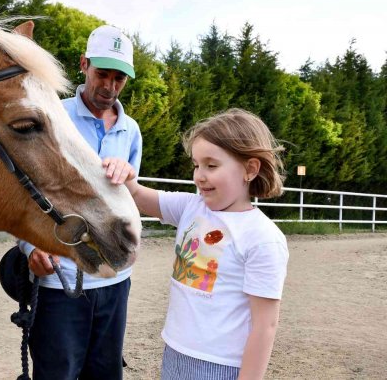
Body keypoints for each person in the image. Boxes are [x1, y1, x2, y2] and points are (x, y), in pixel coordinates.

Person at [103, 108, 288, 380]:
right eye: (196, 164)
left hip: (219, 366)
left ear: (250, 169)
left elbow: (265, 325)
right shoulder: (192, 207)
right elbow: (139, 195)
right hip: (175, 351)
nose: (199, 175)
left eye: (211, 165)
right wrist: (124, 174)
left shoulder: (263, 238)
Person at [18, 24, 142, 379]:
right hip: (62, 280)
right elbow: (26, 188)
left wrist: (128, 178)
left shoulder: (130, 131)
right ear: (84, 64)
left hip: (115, 281)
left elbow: (129, 199)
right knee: (57, 372)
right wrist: (29, 248)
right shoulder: (52, 115)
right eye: (103, 74)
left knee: (105, 373)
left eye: (119, 78)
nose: (110, 86)